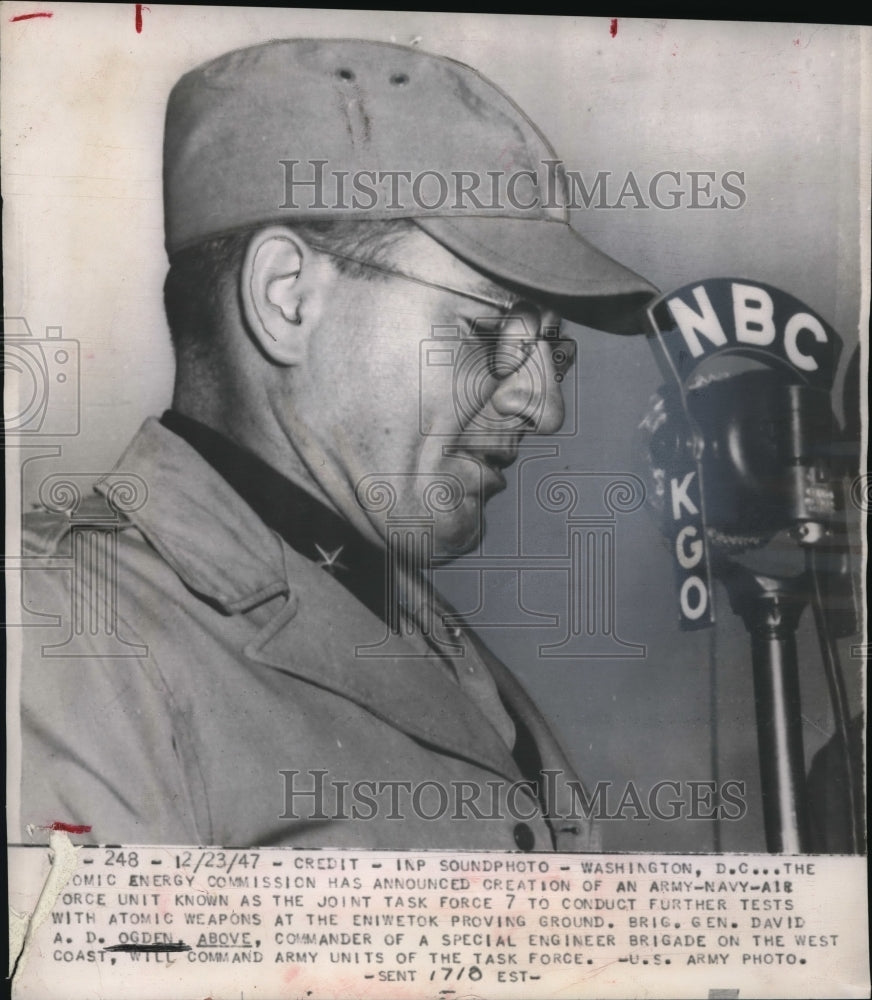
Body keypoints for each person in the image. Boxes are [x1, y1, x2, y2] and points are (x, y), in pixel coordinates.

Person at [19, 38, 656, 850]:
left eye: (552, 350)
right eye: (490, 329)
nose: (544, 404)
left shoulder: (409, 625)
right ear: (286, 298)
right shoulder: (63, 631)